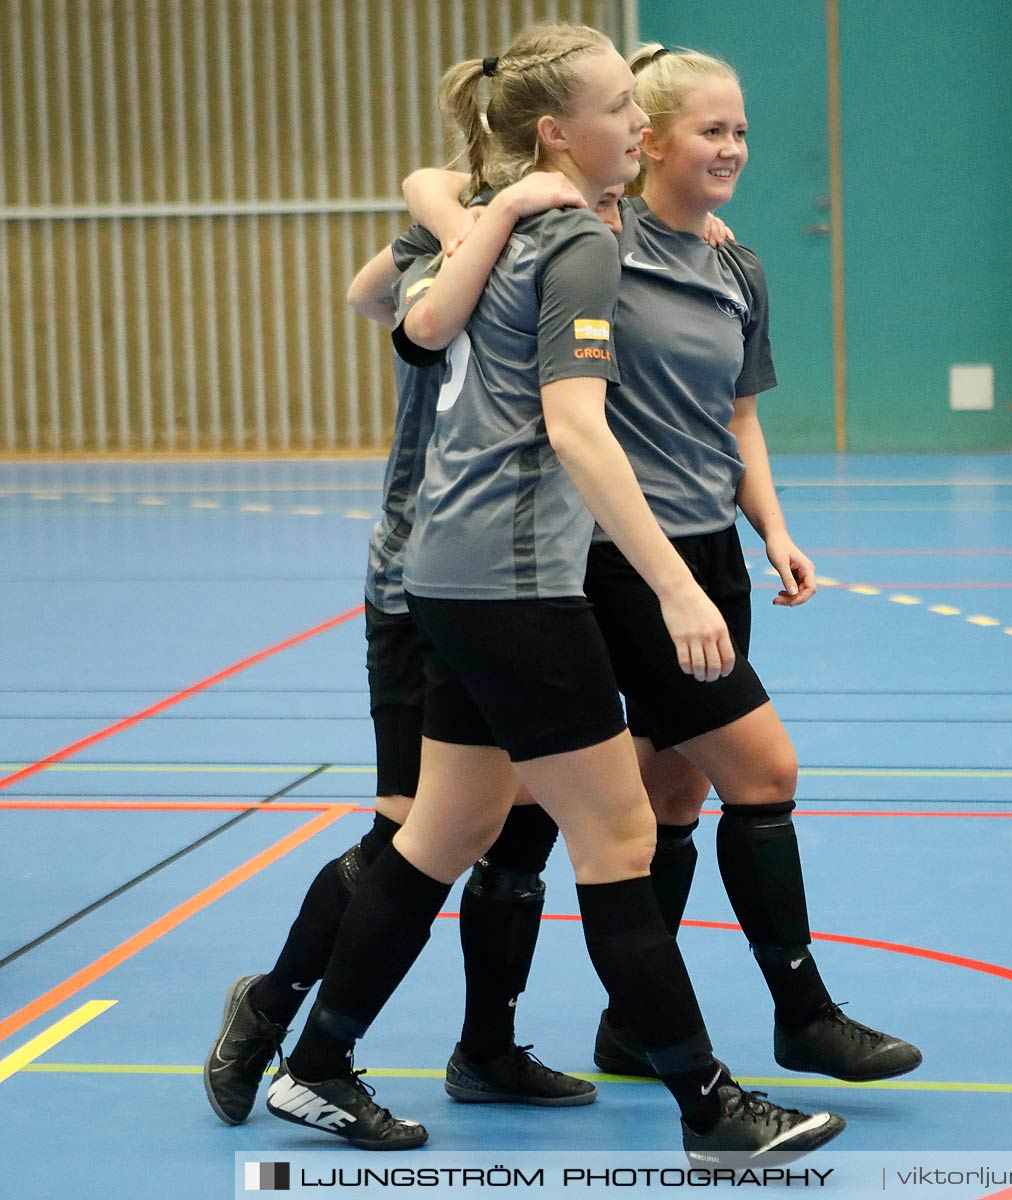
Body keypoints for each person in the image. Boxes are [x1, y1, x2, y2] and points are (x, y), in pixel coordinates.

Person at [262, 23, 844, 1162]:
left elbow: (412, 320)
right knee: (619, 829)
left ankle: (314, 1066)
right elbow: (579, 428)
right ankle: (709, 1108)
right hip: (515, 577)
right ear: (555, 134)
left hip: (445, 566)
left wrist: (464, 205)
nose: (640, 123)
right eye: (621, 107)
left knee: (448, 827)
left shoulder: (505, 230)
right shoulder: (570, 240)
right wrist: (676, 585)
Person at [401, 42, 921, 1086]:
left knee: (670, 799)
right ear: (649, 140)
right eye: (707, 130)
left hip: (708, 551)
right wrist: (482, 216)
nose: (730, 148)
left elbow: (739, 418)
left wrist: (769, 525)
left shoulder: (735, 264)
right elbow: (437, 185)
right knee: (751, 772)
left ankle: (628, 1029)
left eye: (739, 132)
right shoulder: (593, 230)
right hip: (613, 558)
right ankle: (799, 1013)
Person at [203, 177, 617, 1129]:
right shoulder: (458, 246)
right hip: (420, 577)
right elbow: (368, 293)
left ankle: (488, 1049)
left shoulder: (563, 243)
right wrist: (460, 215)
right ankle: (273, 1008)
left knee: (520, 822)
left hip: (528, 575)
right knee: (409, 827)